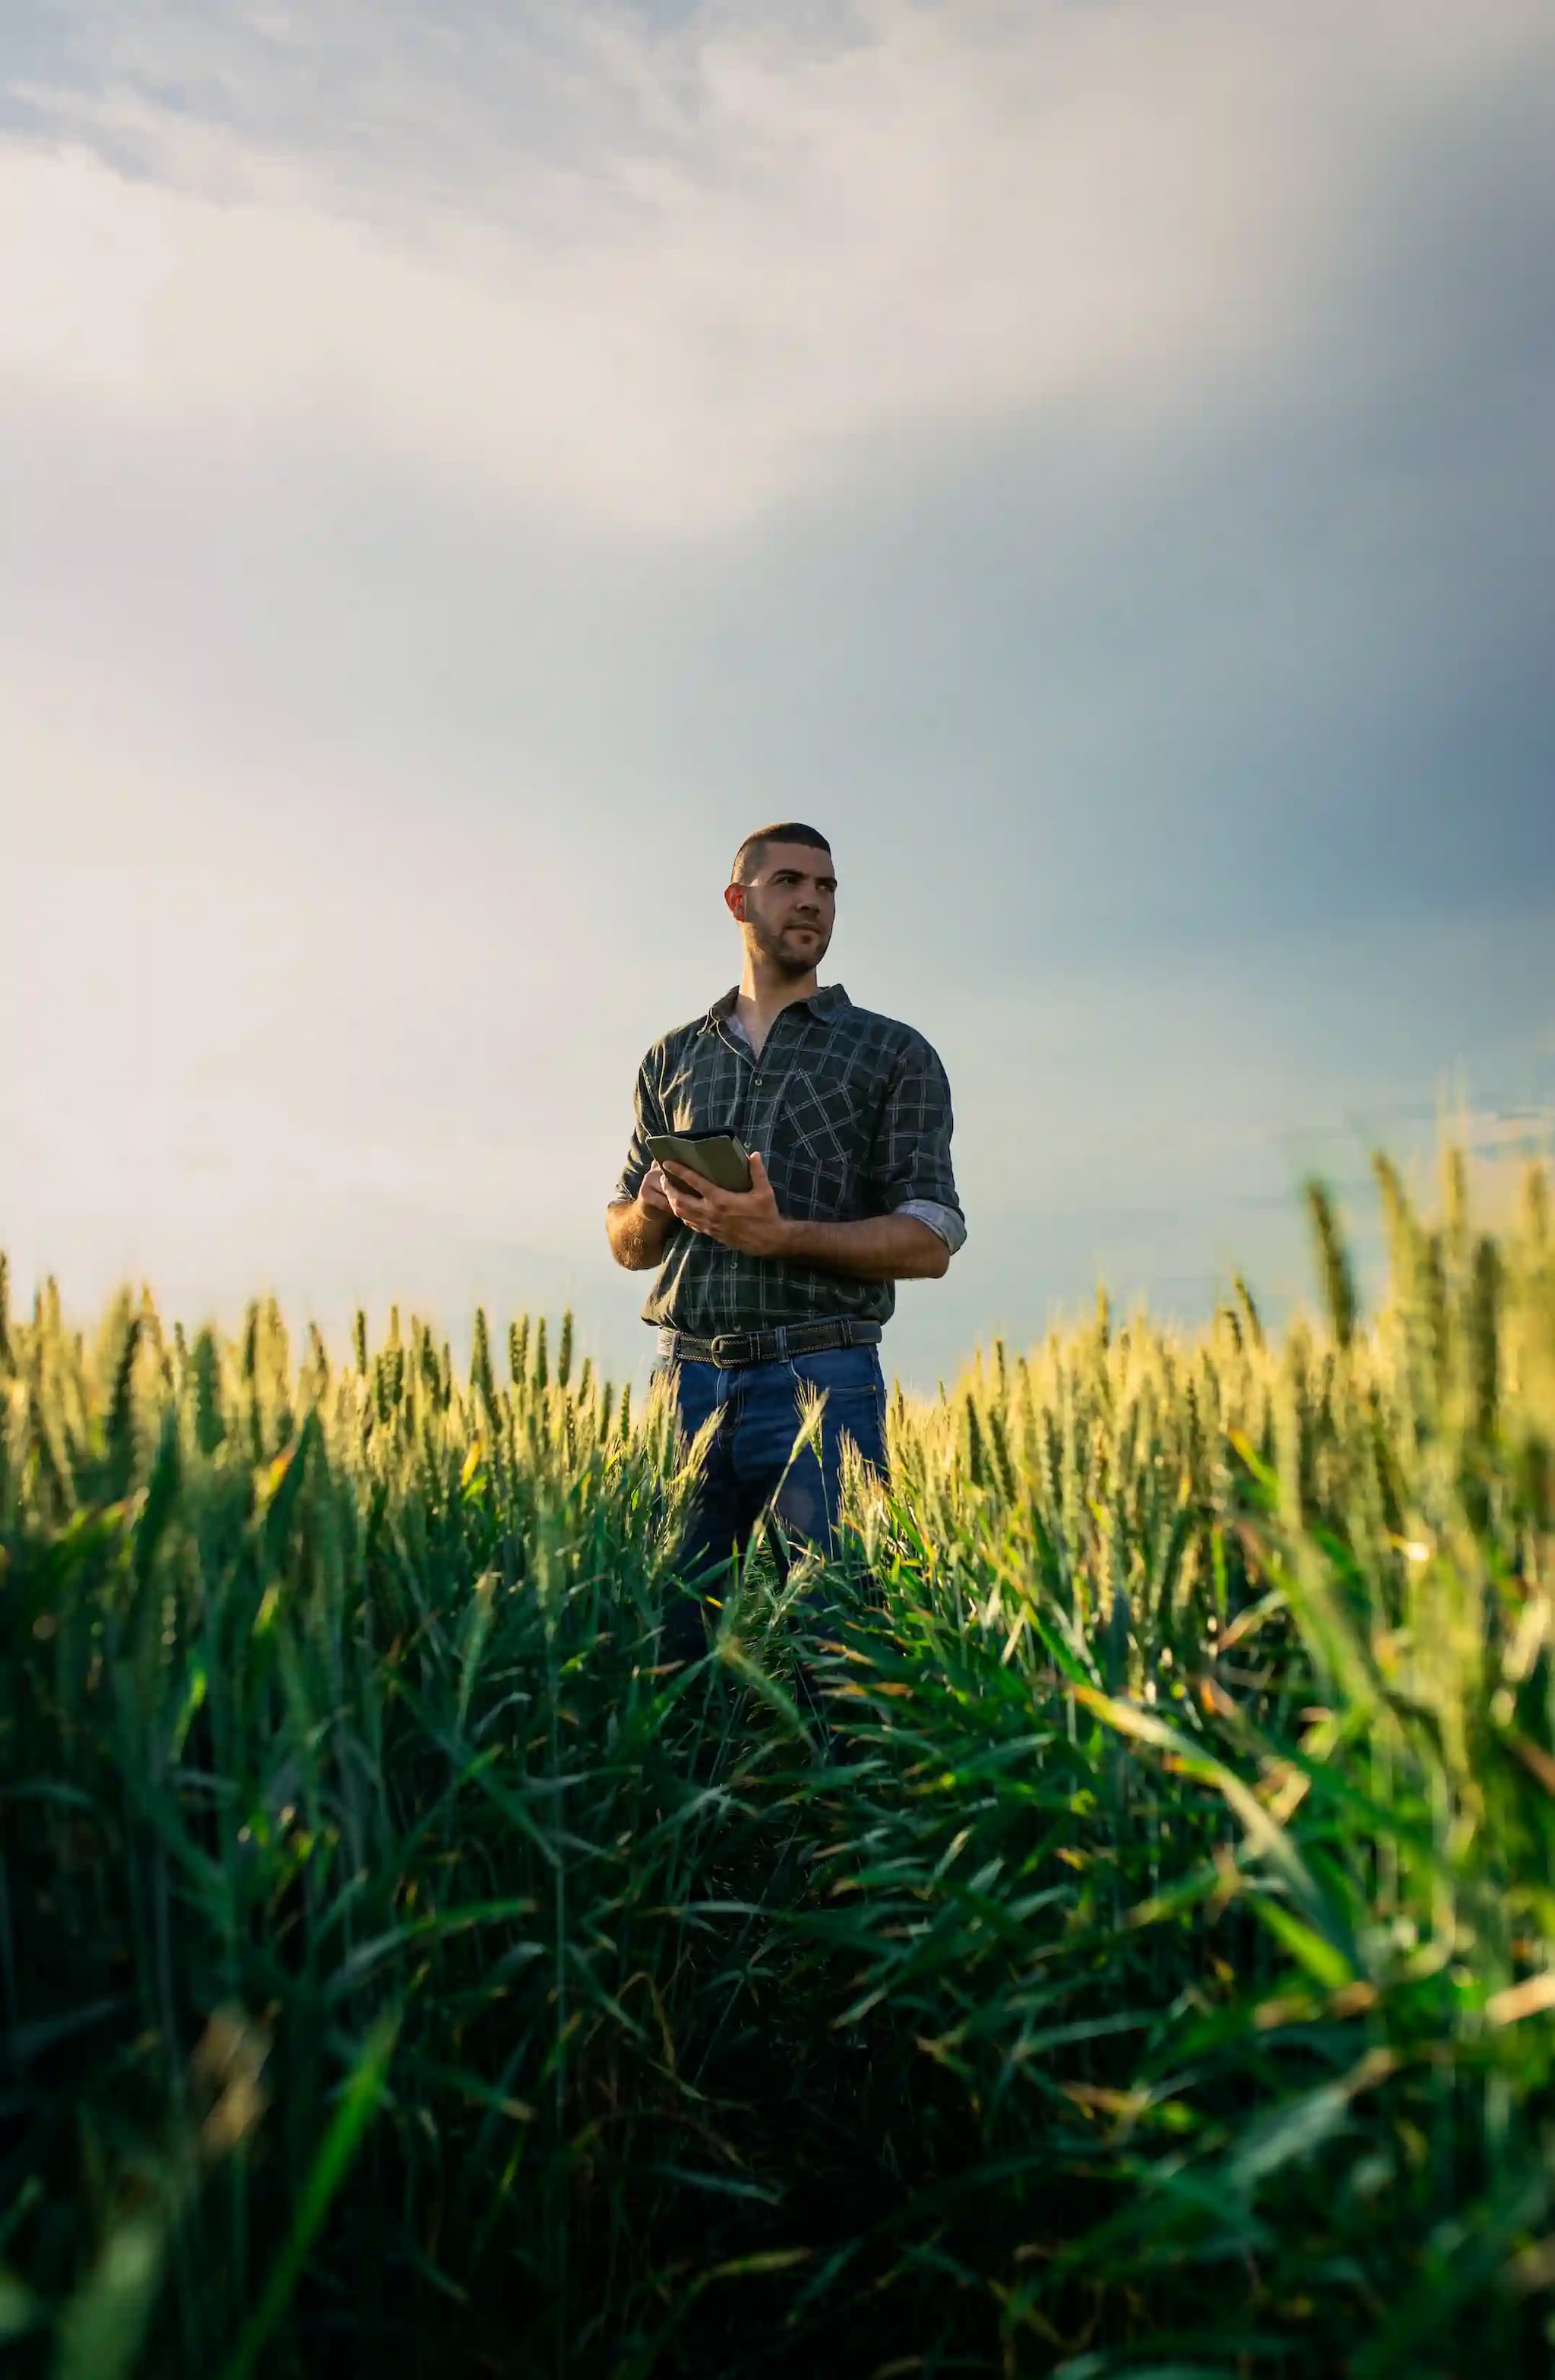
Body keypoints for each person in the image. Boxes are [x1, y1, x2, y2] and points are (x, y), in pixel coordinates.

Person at [604, 822, 965, 1670]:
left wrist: (782, 1236)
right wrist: (653, 1206)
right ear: (739, 901)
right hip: (684, 1378)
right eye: (790, 882)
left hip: (822, 1376)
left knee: (840, 1650)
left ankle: (836, 1808)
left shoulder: (890, 1052)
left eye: (827, 887)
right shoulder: (672, 1058)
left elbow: (930, 1235)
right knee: (667, 1648)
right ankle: (697, 1803)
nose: (811, 900)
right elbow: (625, 1241)